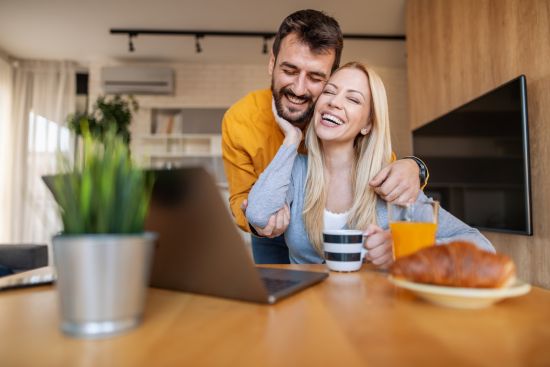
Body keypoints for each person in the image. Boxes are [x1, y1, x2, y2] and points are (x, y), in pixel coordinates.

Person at [222, 9, 429, 264]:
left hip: (331, 218)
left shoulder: (335, 112)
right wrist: (259, 222)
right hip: (269, 229)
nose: (299, 89)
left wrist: (415, 167)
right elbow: (241, 197)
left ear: (332, 76)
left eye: (315, 77)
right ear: (272, 63)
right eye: (289, 70)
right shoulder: (240, 120)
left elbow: (378, 165)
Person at [245, 62, 494, 268]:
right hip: (307, 314)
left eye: (353, 99)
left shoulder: (390, 183)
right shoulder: (296, 170)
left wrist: (404, 249)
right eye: (329, 92)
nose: (334, 102)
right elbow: (258, 213)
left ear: (367, 124)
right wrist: (292, 138)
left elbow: (483, 248)